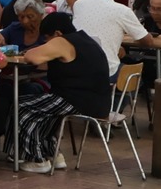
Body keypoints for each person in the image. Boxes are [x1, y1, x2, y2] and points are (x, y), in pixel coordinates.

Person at [8, 12, 110, 175]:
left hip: (77, 100)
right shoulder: (86, 40)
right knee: (45, 107)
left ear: (57, 34)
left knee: (23, 106)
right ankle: (54, 154)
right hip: (98, 102)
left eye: (46, 39)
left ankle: (36, 159)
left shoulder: (63, 41)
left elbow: (32, 57)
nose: (46, 43)